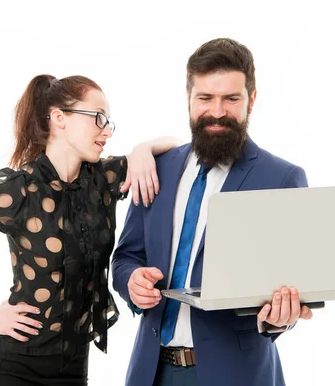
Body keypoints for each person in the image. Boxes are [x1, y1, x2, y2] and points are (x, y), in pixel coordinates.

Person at [0, 74, 181, 385]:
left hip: (72, 367)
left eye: (108, 121)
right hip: (12, 366)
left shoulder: (104, 179)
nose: (106, 130)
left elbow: (179, 149)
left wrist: (142, 148)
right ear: (60, 118)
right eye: (98, 118)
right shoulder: (21, 189)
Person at [111, 38, 314, 386]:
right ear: (188, 98)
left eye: (230, 99)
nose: (217, 111)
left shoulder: (281, 178)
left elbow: (293, 285)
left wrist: (279, 318)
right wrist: (130, 280)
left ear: (251, 99)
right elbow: (126, 256)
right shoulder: (155, 168)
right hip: (152, 371)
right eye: (205, 98)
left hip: (236, 374)